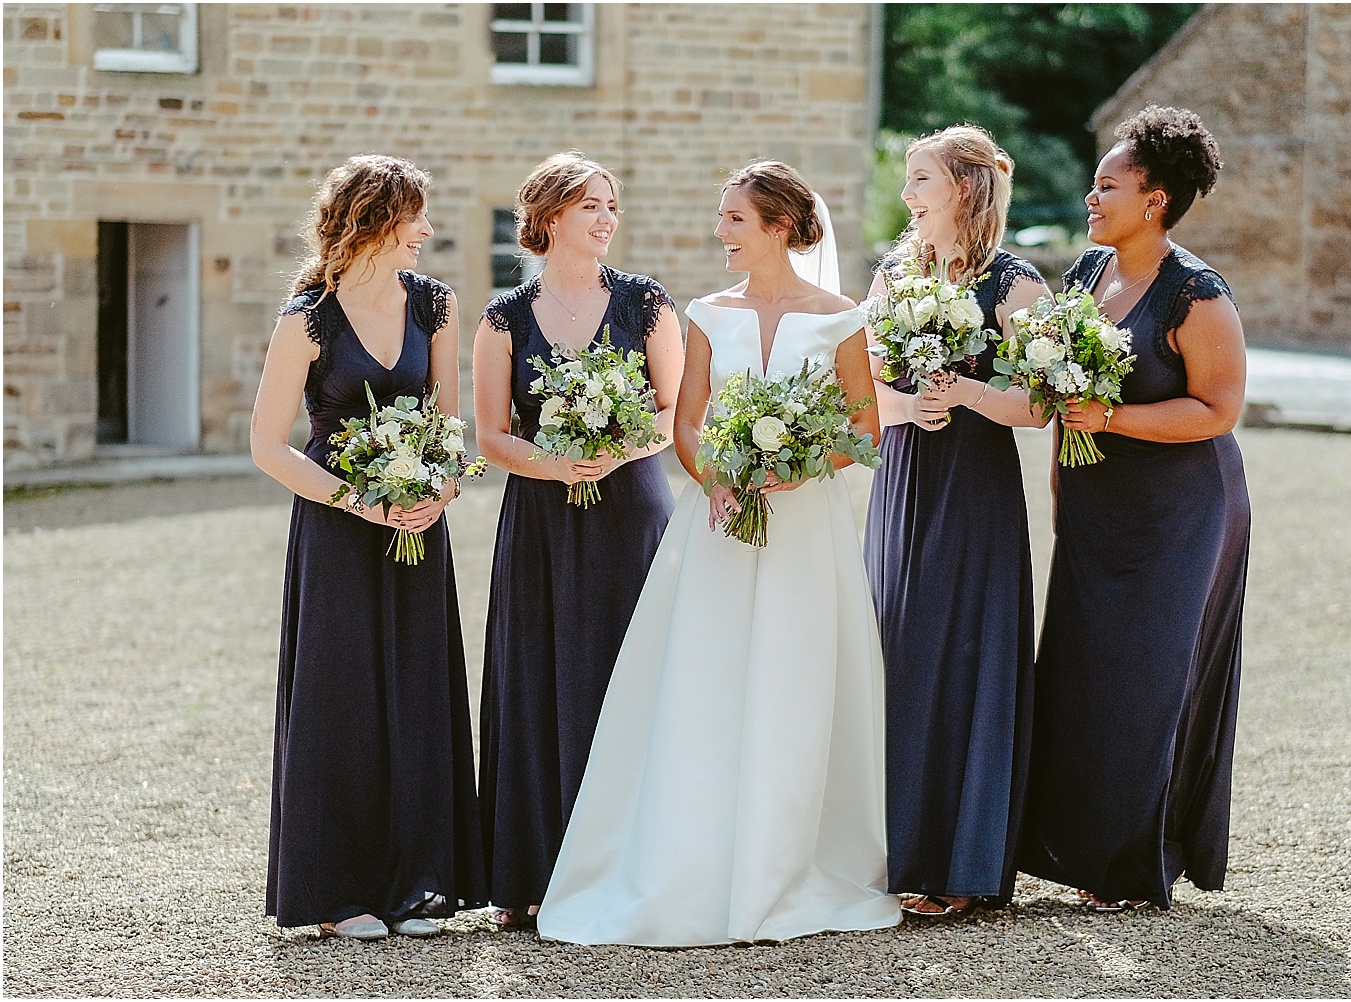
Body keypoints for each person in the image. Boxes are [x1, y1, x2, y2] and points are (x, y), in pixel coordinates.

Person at [537, 160, 901, 946]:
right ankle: (691, 857)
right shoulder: (705, 311)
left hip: (807, 530)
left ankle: (786, 861)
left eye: (734, 219)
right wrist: (723, 480)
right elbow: (688, 422)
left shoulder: (841, 319)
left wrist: (790, 469)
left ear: (777, 227)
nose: (719, 232)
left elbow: (864, 430)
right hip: (718, 525)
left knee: (794, 682)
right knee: (705, 678)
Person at [1016, 105, 1251, 912]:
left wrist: (1109, 419)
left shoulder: (1197, 294)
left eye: (1106, 185)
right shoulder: (1086, 274)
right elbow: (1059, 390)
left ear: (1155, 199)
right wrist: (1059, 481)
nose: (1090, 196)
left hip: (1179, 511)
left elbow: (1218, 410)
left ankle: (1132, 867)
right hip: (1094, 503)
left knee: (1148, 680)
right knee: (1082, 672)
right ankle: (1072, 848)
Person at [251, 154, 485, 940]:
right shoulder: (307, 320)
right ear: (374, 220)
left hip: (419, 524)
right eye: (416, 215)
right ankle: (338, 894)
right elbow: (267, 446)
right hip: (338, 530)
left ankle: (420, 883)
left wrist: (436, 493)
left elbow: (454, 428)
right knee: (341, 697)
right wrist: (361, 501)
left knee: (420, 690)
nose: (427, 230)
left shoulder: (436, 306)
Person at [473, 152, 683, 930]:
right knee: (536, 678)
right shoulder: (504, 317)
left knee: (628, 673)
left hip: (630, 508)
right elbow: (492, 432)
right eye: (591, 204)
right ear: (551, 215)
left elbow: (673, 410)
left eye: (612, 205)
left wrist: (617, 451)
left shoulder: (646, 303)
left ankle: (630, 864)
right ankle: (530, 874)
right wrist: (553, 464)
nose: (606, 218)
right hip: (539, 520)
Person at [863, 125, 1051, 918]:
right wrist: (908, 404)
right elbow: (861, 384)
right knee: (895, 652)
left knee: (963, 654)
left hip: (974, 489)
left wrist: (968, 393)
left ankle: (959, 861)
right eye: (909, 181)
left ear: (965, 190)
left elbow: (1042, 408)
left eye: (920, 180)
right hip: (905, 479)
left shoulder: (1015, 286)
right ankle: (892, 850)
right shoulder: (890, 273)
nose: (907, 196)